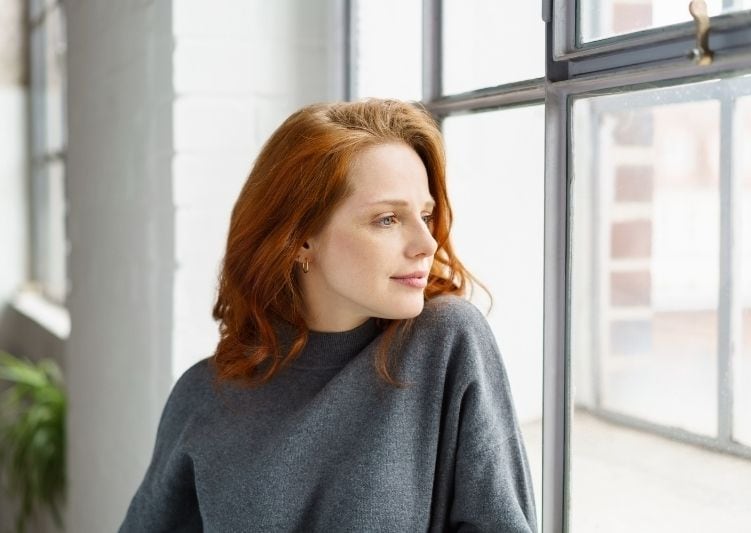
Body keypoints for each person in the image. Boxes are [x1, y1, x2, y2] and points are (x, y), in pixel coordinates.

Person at [120, 99, 537, 532]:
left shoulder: (446, 341)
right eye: (388, 218)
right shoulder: (204, 397)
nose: (426, 243)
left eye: (426, 215)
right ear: (300, 238)